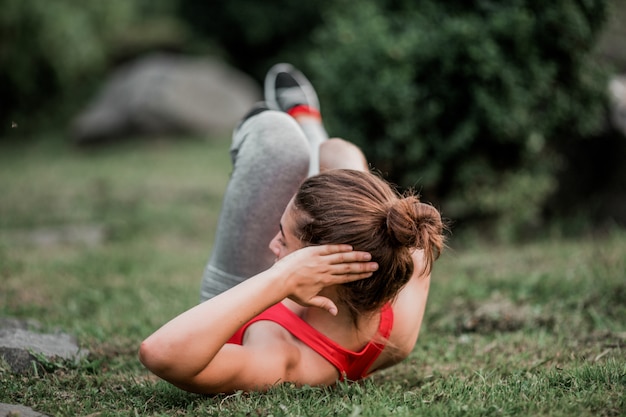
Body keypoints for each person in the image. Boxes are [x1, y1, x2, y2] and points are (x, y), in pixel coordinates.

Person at [139, 63, 446, 394]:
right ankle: (308, 123)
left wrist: (280, 277)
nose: (271, 245)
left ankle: (280, 124)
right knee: (335, 153)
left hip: (235, 299)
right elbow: (339, 153)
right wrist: (347, 194)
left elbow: (160, 353)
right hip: (331, 270)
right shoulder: (405, 251)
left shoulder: (284, 354)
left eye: (282, 240)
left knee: (277, 144)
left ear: (324, 268)